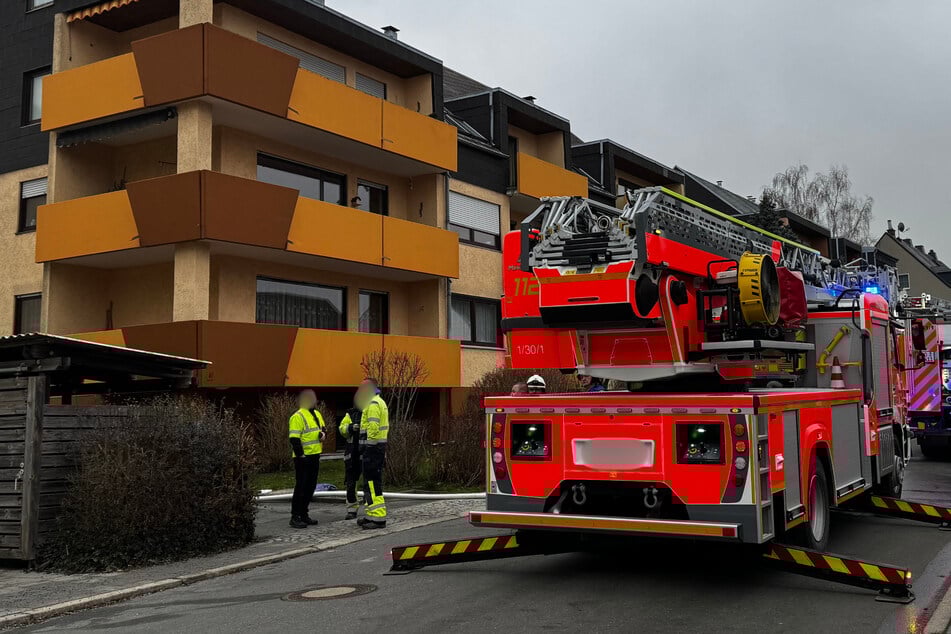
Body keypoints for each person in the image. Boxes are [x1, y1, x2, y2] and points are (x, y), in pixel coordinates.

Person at [288, 389, 326, 529]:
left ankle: (304, 513)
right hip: (303, 457)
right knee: (301, 487)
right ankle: (295, 516)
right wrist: (301, 455)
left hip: (315, 454)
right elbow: (294, 438)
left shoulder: (316, 414)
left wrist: (322, 435)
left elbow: (323, 429)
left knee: (310, 486)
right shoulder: (297, 416)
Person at [355, 378, 389, 530]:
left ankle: (378, 518)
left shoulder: (373, 403)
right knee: (369, 484)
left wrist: (368, 447)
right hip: (374, 449)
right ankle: (371, 515)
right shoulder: (375, 402)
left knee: (373, 484)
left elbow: (373, 428)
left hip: (373, 450)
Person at [338, 402, 363, 520]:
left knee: (370, 483)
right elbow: (342, 429)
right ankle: (352, 510)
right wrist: (350, 427)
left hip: (366, 453)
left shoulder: (370, 412)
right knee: (351, 483)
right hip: (352, 455)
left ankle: (372, 510)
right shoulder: (350, 414)